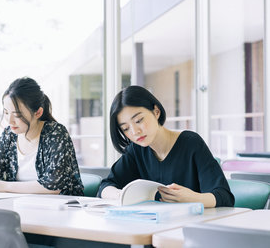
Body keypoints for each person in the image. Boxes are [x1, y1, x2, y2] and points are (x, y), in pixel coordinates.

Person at [98, 85, 234, 207]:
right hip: (154, 226)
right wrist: (122, 195)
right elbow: (105, 187)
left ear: (156, 111)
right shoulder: (136, 149)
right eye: (126, 128)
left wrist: (193, 198)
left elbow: (224, 197)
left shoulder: (191, 143)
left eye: (139, 120)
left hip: (192, 227)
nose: (135, 132)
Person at [0, 77, 84, 196]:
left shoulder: (56, 133)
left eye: (17, 115)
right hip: (22, 206)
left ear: (38, 112)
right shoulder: (9, 135)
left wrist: (6, 186)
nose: (10, 121)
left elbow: (53, 186)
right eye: (6, 113)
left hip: (61, 209)